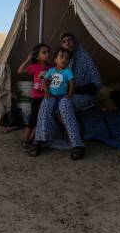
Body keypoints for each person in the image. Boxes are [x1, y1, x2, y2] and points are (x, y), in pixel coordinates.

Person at [30, 32, 101, 160]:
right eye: (64, 41)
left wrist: (73, 91)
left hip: (82, 94)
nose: (67, 43)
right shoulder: (61, 60)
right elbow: (51, 81)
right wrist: (48, 92)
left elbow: (96, 84)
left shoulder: (84, 57)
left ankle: (77, 144)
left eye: (70, 40)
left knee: (64, 103)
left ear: (75, 42)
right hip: (62, 95)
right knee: (47, 102)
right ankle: (39, 140)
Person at [17, 43, 51, 149]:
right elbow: (19, 71)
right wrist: (28, 59)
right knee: (33, 119)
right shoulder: (34, 67)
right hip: (37, 97)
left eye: (48, 52)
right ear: (37, 56)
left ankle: (32, 140)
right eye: (44, 52)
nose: (47, 54)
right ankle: (25, 140)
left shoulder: (51, 67)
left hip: (47, 96)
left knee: (42, 119)